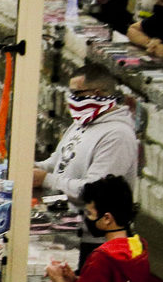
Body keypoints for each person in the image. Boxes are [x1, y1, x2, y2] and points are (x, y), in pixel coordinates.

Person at [32, 63, 138, 269]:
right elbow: (57, 163)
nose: (70, 100)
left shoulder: (117, 135)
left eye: (75, 94)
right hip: (66, 228)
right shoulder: (81, 122)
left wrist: (45, 179)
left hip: (95, 241)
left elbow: (95, 191)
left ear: (96, 94)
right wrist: (27, 165)